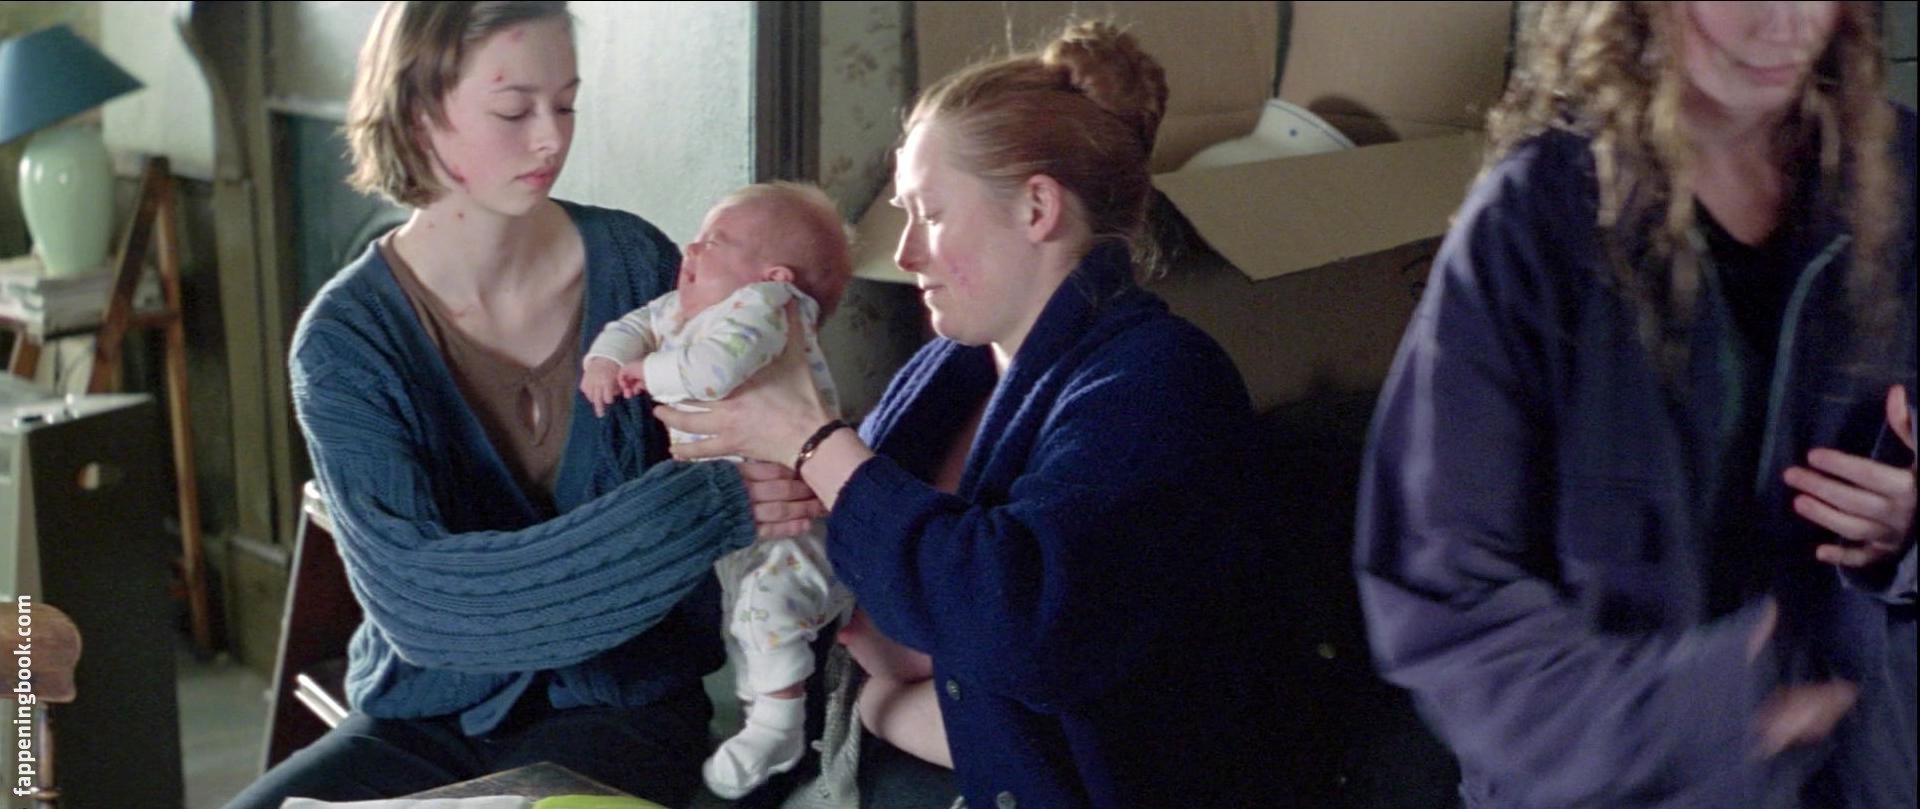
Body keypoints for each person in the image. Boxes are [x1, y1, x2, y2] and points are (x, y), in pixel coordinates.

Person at [656, 21, 1272, 809]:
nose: (905, 252)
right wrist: (761, 488)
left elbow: (1015, 626)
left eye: (931, 213)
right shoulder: (948, 368)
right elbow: (869, 598)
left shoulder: (1159, 382)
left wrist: (813, 441)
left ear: (1037, 207)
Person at [224, 2, 819, 806]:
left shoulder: (637, 263)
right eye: (514, 109)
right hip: (419, 717)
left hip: (623, 707)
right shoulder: (344, 340)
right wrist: (706, 507)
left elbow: (771, 439)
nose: (551, 139)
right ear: (419, 111)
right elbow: (427, 611)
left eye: (566, 104)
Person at [1355, 2, 1915, 807]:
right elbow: (1445, 599)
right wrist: (1703, 714)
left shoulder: (1902, 181)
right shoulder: (1536, 221)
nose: (1786, 22)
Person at [578, 181, 855, 799]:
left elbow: (712, 373)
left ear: (774, 275)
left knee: (766, 608)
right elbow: (633, 325)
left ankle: (779, 725)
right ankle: (765, 714)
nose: (693, 248)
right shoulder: (687, 310)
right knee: (742, 613)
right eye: (699, 236)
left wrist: (642, 372)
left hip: (792, 514)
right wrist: (604, 360)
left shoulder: (767, 307)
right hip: (739, 511)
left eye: (717, 241)